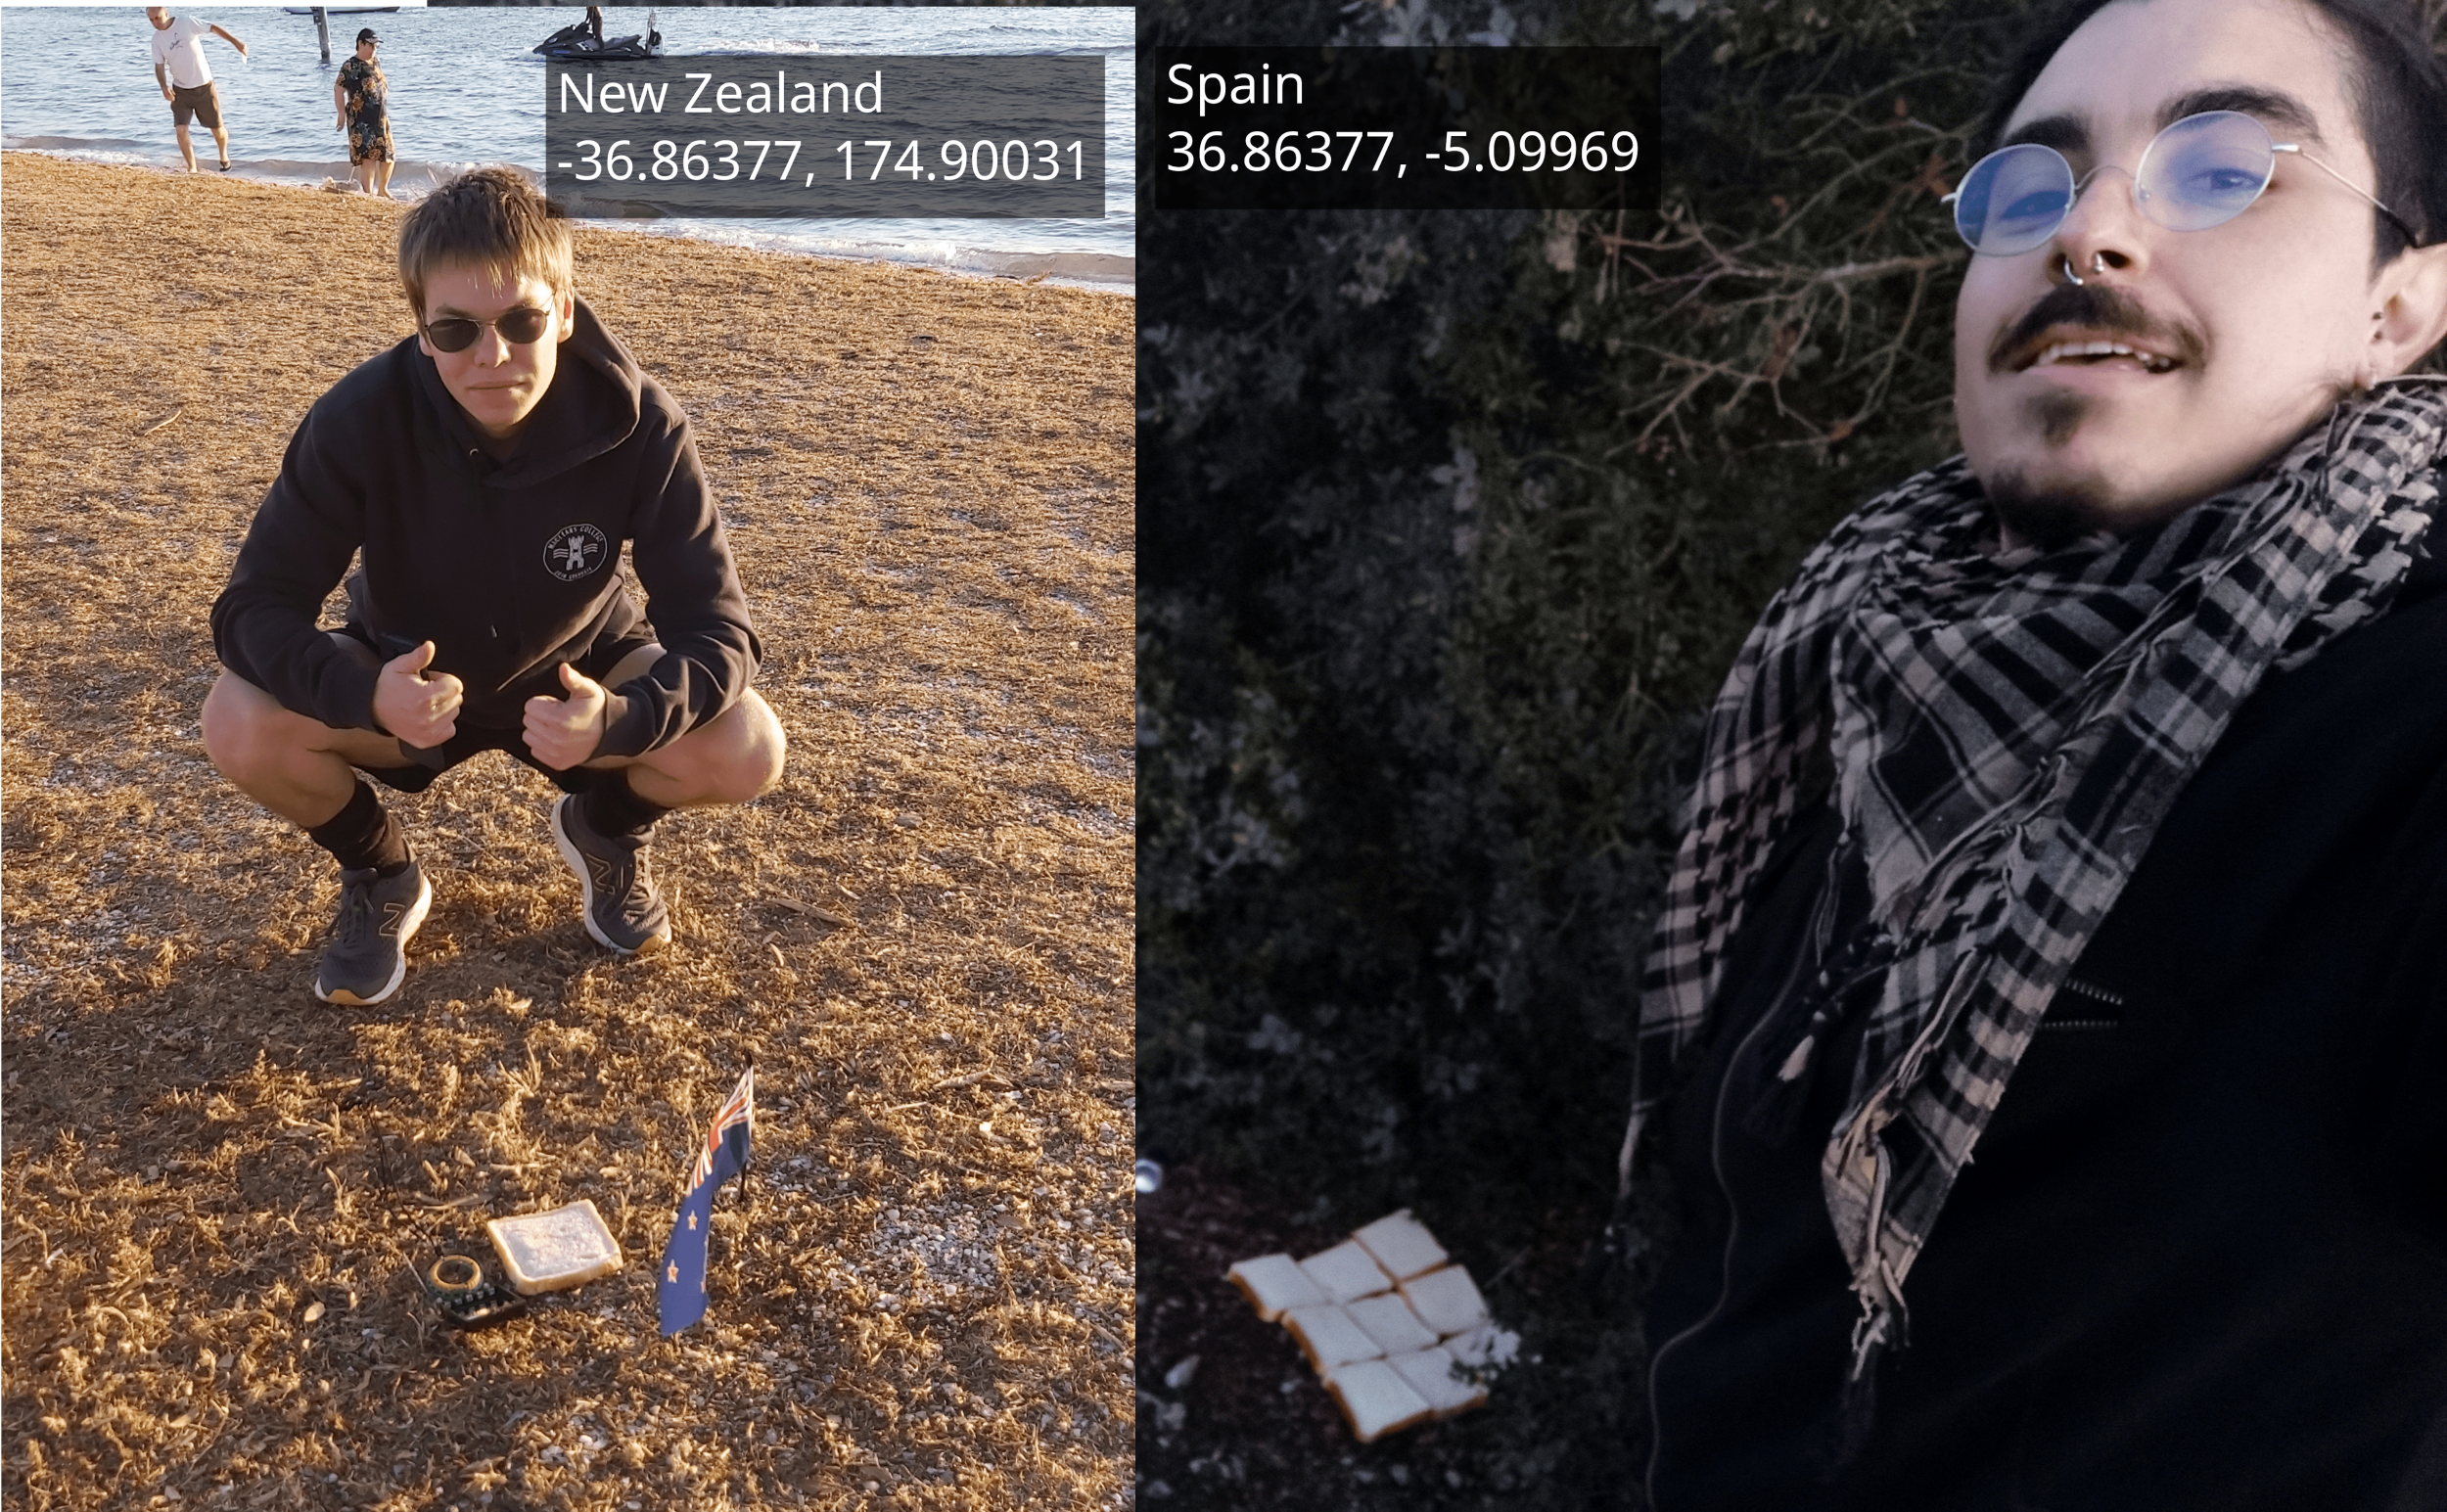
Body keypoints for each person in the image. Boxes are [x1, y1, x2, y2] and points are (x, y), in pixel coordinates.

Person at [1624, 0, 2447, 1505]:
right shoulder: (1859, 664)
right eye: (2031, 186)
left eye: (2224, 167)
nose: (2095, 233)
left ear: (2398, 306)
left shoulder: (2401, 723)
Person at [203, 167, 786, 1006]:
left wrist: (620, 718)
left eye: (522, 321)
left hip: (578, 673)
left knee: (749, 745)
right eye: (456, 328)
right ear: (421, 329)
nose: (493, 355)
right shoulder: (358, 419)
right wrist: (364, 692)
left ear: (566, 314)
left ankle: (606, 827)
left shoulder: (642, 423)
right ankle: (379, 869)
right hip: (407, 673)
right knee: (236, 717)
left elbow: (719, 629)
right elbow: (253, 607)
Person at [146, 6, 246, 174]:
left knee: (217, 129)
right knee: (181, 130)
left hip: (204, 86)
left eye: (158, 18)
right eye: (151, 20)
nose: (155, 23)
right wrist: (164, 86)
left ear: (166, 14)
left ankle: (224, 157)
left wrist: (236, 42)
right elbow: (159, 66)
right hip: (180, 91)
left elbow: (213, 28)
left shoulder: (186, 23)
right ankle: (192, 167)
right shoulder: (157, 40)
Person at [333, 27, 393, 200]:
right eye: (371, 46)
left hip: (380, 118)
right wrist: (341, 113)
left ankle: (383, 189)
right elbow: (338, 88)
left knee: (388, 154)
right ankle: (368, 194)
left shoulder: (375, 62)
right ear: (361, 44)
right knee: (368, 157)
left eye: (376, 46)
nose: (374, 50)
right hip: (361, 120)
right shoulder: (350, 66)